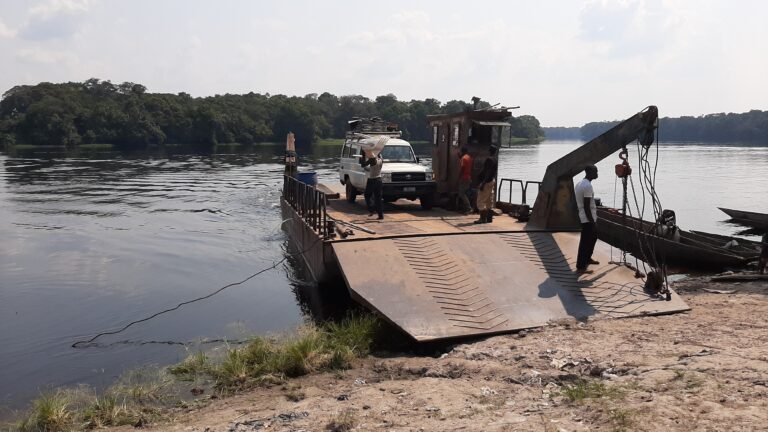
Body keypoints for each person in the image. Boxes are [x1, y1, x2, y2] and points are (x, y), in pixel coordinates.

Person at [575, 165, 600, 274]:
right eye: (595, 171)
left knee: (593, 237)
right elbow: (586, 206)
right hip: (587, 218)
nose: (597, 173)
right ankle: (581, 266)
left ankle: (588, 258)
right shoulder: (587, 186)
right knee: (585, 241)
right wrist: (592, 222)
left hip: (584, 216)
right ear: (589, 172)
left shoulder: (579, 183)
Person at [474, 146, 498, 224]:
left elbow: (488, 172)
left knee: (480, 201)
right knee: (488, 200)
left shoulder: (489, 159)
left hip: (487, 182)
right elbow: (492, 172)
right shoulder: (495, 159)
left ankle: (482, 219)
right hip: (492, 181)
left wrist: (483, 183)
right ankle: (489, 218)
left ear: (489, 151)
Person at [361, 152, 384, 219]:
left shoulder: (372, 159)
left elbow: (363, 165)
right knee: (378, 198)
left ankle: (371, 209)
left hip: (372, 180)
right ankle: (380, 215)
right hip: (379, 180)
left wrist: (363, 156)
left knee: (367, 195)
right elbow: (373, 168)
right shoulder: (381, 159)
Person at [458, 146, 473, 214]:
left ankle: (469, 208)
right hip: (468, 177)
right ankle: (465, 208)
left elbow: (463, 168)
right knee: (465, 193)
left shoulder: (463, 158)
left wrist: (459, 177)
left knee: (461, 193)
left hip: (464, 178)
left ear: (462, 151)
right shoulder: (469, 157)